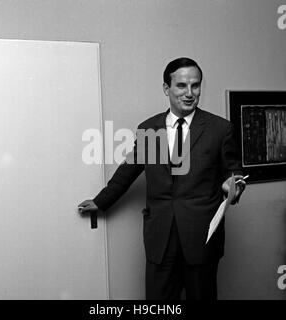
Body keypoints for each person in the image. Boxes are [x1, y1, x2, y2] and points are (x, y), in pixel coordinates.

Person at [78, 57, 246, 300]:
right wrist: (101, 201)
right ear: (166, 88)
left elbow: (234, 172)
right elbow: (129, 169)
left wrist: (235, 186)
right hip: (160, 237)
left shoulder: (220, 129)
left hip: (202, 238)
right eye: (181, 86)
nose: (190, 93)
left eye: (195, 86)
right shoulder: (150, 128)